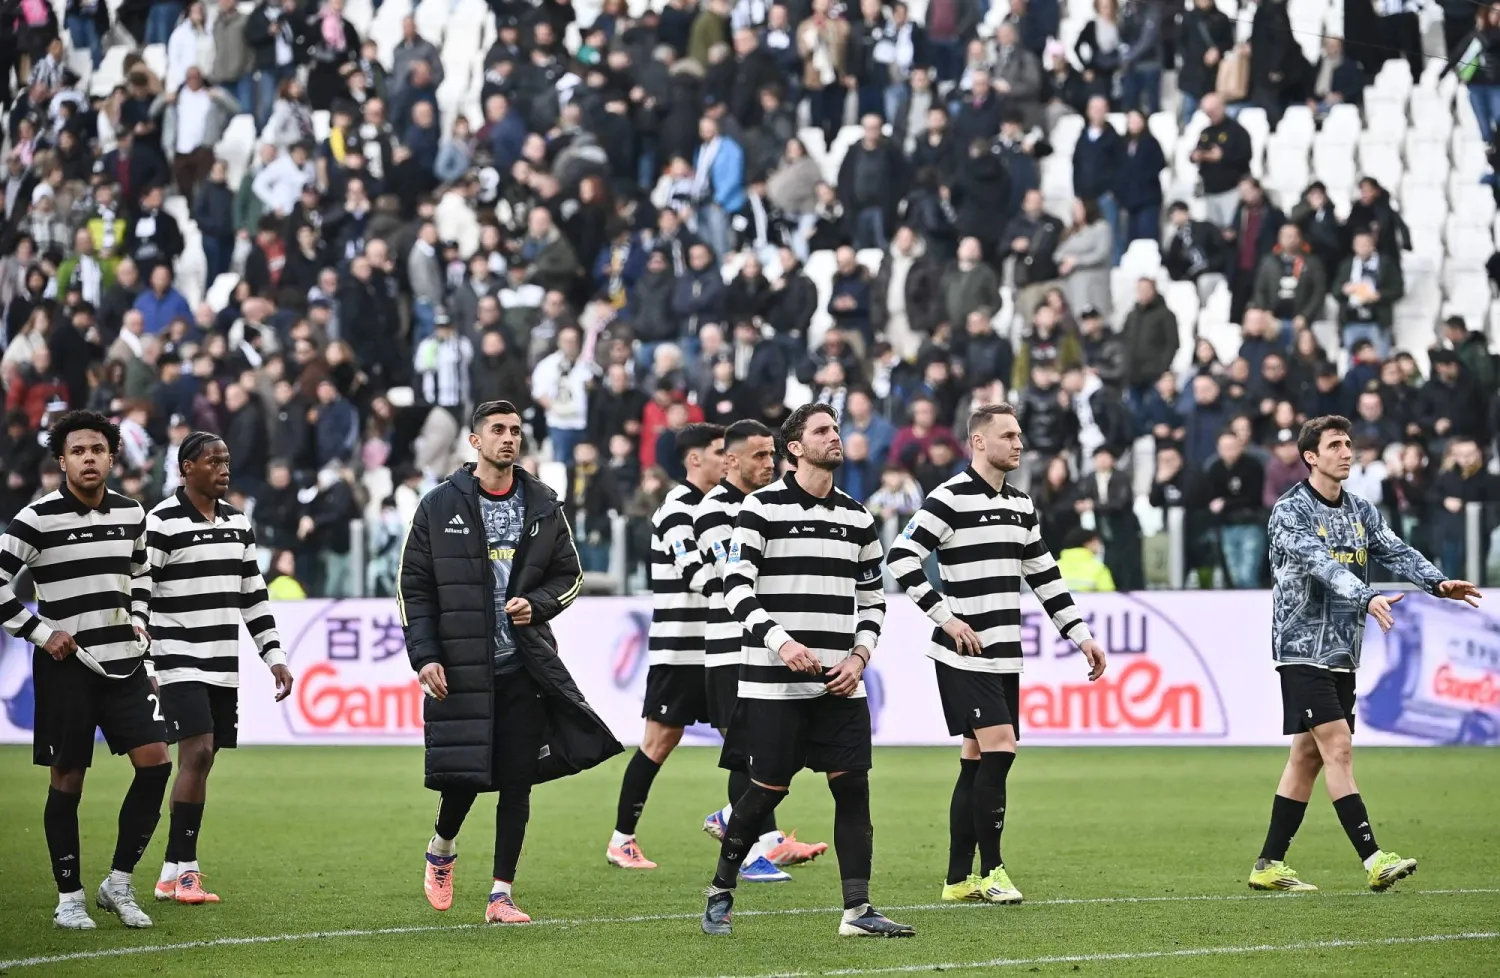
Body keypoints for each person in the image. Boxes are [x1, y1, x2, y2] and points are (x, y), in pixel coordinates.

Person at [402, 401, 623, 924]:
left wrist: (538, 605)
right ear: (474, 441)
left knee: (518, 780)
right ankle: (442, 847)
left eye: (515, 431)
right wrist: (426, 655)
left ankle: (501, 894)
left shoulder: (544, 501)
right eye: (497, 430)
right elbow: (413, 587)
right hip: (462, 666)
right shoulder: (438, 505)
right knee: (464, 777)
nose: (508, 438)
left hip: (525, 665)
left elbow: (569, 576)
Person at [701, 404, 913, 938]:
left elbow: (874, 601)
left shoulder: (859, 517)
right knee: (765, 792)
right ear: (795, 448)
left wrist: (859, 658)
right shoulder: (760, 508)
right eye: (822, 431)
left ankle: (857, 912)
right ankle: (721, 890)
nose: (835, 437)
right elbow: (735, 588)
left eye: (837, 429)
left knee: (854, 790)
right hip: (773, 685)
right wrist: (782, 642)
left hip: (841, 684)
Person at [886, 403, 1106, 905]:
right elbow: (901, 556)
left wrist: (1081, 636)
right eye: (1008, 435)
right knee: (1002, 748)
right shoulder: (949, 497)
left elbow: (1046, 578)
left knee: (976, 760)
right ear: (979, 442)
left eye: (1020, 435)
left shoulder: (1022, 504)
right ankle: (994, 870)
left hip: (1006, 654)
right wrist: (944, 616)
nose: (1020, 443)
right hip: (963, 654)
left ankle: (957, 878)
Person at [1252, 415, 1481, 894]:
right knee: (1338, 746)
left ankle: (1268, 864)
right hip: (1301, 649)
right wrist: (1366, 596)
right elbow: (1319, 565)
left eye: (1349, 443)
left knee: (1307, 759)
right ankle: (1375, 858)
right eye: (1334, 444)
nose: (1346, 451)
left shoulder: (1360, 509)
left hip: (1342, 652)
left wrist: (1438, 584)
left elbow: (1395, 550)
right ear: (1310, 457)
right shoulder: (1290, 510)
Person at [0, 411, 169, 930]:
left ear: (112, 457)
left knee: (157, 765)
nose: (88, 458)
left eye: (97, 449)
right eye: (78, 451)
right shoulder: (37, 518)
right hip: (67, 668)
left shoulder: (132, 513)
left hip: (125, 664)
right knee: (68, 780)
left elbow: (141, 576)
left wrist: (140, 619)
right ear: (62, 461)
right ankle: (69, 895)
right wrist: (40, 632)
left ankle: (117, 883)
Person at [144, 432, 293, 904]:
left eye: (227, 461)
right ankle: (187, 871)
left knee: (203, 759)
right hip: (176, 658)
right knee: (199, 752)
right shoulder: (161, 522)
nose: (224, 469)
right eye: (214, 461)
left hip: (220, 662)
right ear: (187, 468)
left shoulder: (237, 522)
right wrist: (147, 659)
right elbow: (139, 594)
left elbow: (254, 595)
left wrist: (275, 657)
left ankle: (171, 871)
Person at [695, 420, 827, 872]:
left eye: (772, 454)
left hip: (770, 646)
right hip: (733, 647)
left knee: (771, 751)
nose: (770, 463)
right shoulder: (713, 510)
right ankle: (750, 849)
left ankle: (756, 833)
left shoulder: (771, 504)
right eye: (759, 456)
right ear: (730, 460)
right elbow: (739, 574)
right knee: (746, 751)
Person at [606, 423, 733, 871]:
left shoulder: (718, 506)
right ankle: (622, 840)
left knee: (744, 738)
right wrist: (739, 590)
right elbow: (692, 570)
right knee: (659, 742)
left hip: (715, 646)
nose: (728, 459)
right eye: (721, 452)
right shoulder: (678, 508)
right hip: (680, 648)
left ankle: (763, 836)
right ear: (694, 459)